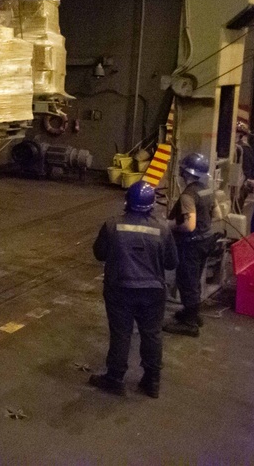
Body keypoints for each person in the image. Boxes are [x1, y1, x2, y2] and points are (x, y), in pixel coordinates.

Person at [88, 181, 178, 397]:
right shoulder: (163, 229)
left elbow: (99, 254)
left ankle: (115, 378)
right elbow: (171, 263)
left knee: (121, 334)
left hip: (120, 289)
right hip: (153, 291)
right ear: (152, 205)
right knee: (152, 334)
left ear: (127, 201)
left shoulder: (112, 226)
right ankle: (152, 381)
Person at [163, 152, 217, 337]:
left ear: (186, 172)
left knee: (187, 281)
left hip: (192, 245)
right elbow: (216, 214)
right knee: (195, 280)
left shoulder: (188, 195)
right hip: (207, 241)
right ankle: (191, 313)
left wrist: (168, 224)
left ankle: (190, 324)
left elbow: (189, 225)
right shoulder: (207, 189)